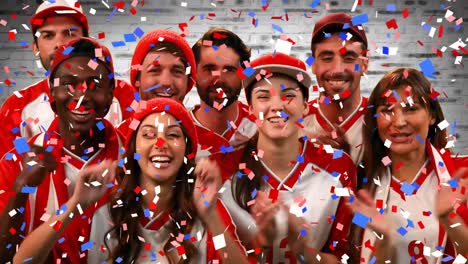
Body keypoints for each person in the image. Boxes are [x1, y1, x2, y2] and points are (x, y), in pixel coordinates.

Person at [14, 98, 251, 264]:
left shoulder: (205, 207)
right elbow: (22, 260)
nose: (161, 144)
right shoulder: (99, 206)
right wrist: (74, 206)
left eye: (173, 135)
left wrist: (211, 218)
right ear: (133, 150)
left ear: (187, 152)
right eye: (148, 135)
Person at [220, 52, 357, 263]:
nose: (277, 106)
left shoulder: (338, 165)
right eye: (264, 96)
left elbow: (345, 258)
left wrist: (305, 252)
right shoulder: (221, 170)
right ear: (250, 108)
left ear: (305, 107)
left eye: (289, 95)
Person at [0, 37, 121, 262]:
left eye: (95, 85)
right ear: (51, 93)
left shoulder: (136, 158)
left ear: (111, 94)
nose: (81, 97)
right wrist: (20, 189)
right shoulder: (16, 159)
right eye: (69, 84)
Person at [348, 68, 468, 263]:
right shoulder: (359, 184)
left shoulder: (462, 173)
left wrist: (449, 218)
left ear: (432, 116)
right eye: (387, 111)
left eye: (411, 108)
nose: (399, 122)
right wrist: (384, 243)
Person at [0, 0, 134, 158]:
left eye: (70, 33)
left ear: (86, 41)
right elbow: (8, 171)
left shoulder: (125, 96)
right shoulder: (16, 107)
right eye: (48, 35)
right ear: (35, 47)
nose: (59, 44)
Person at [302, 12, 369, 165]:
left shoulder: (383, 121)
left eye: (349, 58)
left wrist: (346, 162)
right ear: (313, 65)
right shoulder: (295, 123)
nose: (337, 69)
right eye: (327, 58)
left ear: (365, 64)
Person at [117, 29, 197, 141]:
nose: (166, 82)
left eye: (177, 71)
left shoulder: (212, 146)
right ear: (137, 79)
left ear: (188, 81)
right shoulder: (115, 140)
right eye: (155, 70)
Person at [190, 28, 257, 160]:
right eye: (209, 69)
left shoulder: (260, 130)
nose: (219, 79)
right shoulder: (177, 130)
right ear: (193, 75)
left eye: (229, 70)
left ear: (244, 76)